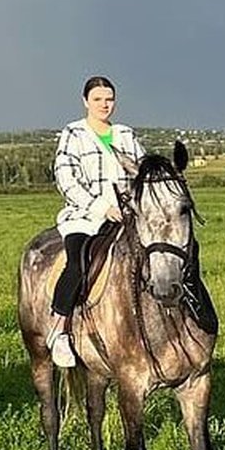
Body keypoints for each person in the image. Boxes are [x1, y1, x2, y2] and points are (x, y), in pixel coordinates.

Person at [47, 76, 146, 368]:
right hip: (85, 217)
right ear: (85, 101)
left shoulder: (126, 134)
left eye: (109, 99)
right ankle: (60, 328)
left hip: (125, 216)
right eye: (98, 99)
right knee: (78, 263)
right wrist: (102, 208)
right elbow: (66, 180)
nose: (105, 105)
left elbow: (141, 173)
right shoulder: (73, 134)